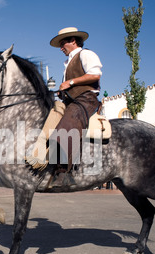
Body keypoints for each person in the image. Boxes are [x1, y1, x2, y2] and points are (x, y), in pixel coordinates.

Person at [49, 27, 103, 187]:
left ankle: (64, 173)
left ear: (73, 41)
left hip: (86, 99)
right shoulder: (68, 62)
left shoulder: (86, 54)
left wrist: (70, 82)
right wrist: (63, 92)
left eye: (63, 43)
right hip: (72, 100)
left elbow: (95, 75)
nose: (61, 48)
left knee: (65, 129)